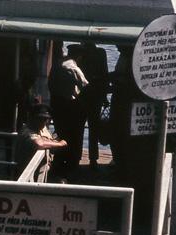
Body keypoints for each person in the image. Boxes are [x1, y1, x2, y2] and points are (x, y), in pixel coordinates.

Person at [49, 45, 89, 177]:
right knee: (74, 136)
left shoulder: (57, 64)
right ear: (79, 56)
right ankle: (71, 165)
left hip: (56, 103)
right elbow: (85, 86)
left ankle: (59, 161)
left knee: (61, 132)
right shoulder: (72, 67)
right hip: (69, 106)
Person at [77, 42, 109, 167]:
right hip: (96, 95)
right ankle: (93, 159)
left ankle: (77, 155)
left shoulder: (80, 52)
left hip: (82, 95)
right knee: (93, 128)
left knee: (79, 128)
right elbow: (105, 75)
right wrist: (104, 96)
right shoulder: (101, 53)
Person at [15, 103, 68, 174]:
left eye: (45, 119)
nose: (43, 122)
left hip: (40, 167)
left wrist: (53, 142)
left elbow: (46, 139)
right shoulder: (26, 131)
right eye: (40, 119)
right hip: (26, 171)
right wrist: (60, 144)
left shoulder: (40, 129)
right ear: (32, 118)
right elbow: (39, 144)